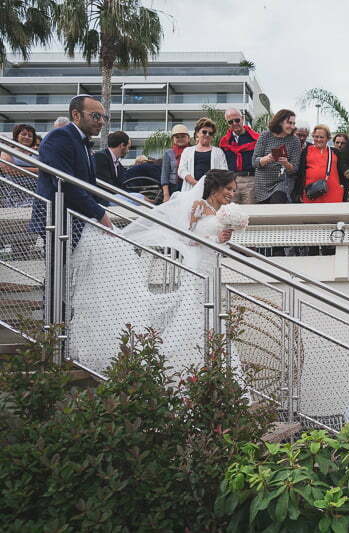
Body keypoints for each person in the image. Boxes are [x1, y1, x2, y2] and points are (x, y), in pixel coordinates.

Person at [67, 169, 249, 383]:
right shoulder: (199, 206)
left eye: (234, 190)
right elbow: (188, 238)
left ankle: (209, 365)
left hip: (212, 267)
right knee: (196, 311)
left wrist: (222, 238)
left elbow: (215, 243)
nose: (231, 193)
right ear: (215, 187)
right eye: (228, 189)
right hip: (198, 268)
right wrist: (215, 237)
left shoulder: (220, 213)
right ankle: (187, 363)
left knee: (208, 312)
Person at [31, 94, 112, 240]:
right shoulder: (60, 137)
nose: (101, 122)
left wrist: (102, 207)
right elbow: (65, 183)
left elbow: (88, 184)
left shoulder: (82, 142)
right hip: (58, 219)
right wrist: (99, 213)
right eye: (95, 116)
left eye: (103, 117)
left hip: (75, 217)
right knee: (60, 262)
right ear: (76, 115)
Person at [252, 108, 301, 205]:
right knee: (264, 215)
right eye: (289, 123)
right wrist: (267, 158)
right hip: (262, 183)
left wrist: (286, 163)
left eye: (293, 123)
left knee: (277, 201)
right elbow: (254, 162)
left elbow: (294, 169)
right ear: (280, 122)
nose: (292, 126)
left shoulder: (295, 141)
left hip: (282, 182)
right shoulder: (265, 136)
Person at [219, 108, 259, 204]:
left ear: (242, 119)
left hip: (250, 180)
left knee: (250, 214)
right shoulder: (224, 142)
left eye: (237, 120)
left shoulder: (256, 138)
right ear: (227, 123)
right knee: (232, 214)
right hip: (231, 181)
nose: (234, 123)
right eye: (230, 121)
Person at [296, 124, 343, 204]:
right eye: (316, 136)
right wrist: (299, 192)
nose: (318, 139)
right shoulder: (306, 151)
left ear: (328, 138)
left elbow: (342, 169)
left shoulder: (335, 152)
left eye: (321, 137)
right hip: (311, 193)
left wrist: (342, 186)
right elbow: (300, 173)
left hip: (332, 193)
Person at [177, 118, 227, 192]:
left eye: (210, 133)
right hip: (191, 189)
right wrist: (196, 183)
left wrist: (210, 185)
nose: (207, 135)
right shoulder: (187, 151)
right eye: (204, 132)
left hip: (212, 191)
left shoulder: (219, 152)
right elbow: (181, 170)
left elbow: (224, 171)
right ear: (197, 133)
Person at [160, 124, 191, 202]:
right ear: (173, 139)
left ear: (188, 138)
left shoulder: (193, 151)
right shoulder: (168, 153)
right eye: (177, 137)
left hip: (189, 186)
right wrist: (166, 194)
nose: (180, 139)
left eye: (183, 136)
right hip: (173, 187)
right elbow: (164, 175)